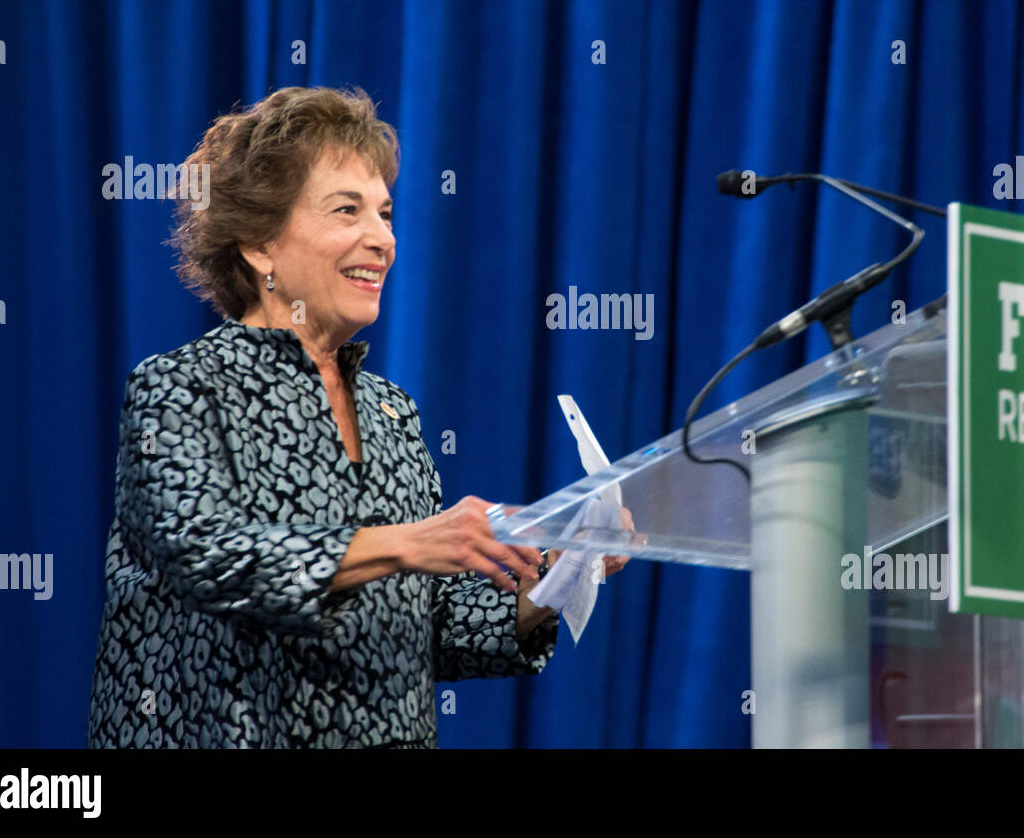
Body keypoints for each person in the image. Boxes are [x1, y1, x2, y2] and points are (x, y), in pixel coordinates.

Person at [86, 86, 630, 748]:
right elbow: (206, 562)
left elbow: (426, 630)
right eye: (348, 210)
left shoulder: (391, 411)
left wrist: (556, 573)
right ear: (259, 243)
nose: (383, 239)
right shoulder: (179, 388)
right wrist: (404, 542)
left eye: (386, 214)